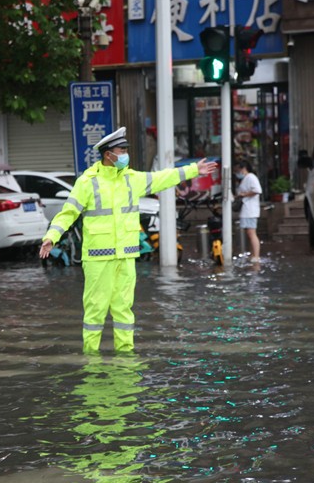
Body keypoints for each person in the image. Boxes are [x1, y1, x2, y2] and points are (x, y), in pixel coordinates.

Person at [39, 127, 216, 352]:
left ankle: (125, 357)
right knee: (95, 308)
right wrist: (51, 237)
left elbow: (162, 178)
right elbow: (68, 213)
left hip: (126, 255)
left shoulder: (131, 179)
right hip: (97, 258)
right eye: (121, 150)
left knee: (124, 309)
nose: (125, 155)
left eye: (125, 150)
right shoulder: (88, 182)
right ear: (108, 154)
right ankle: (91, 357)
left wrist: (193, 170)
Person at [235, 160, 262, 263]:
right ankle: (253, 254)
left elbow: (257, 190)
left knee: (251, 233)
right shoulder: (246, 179)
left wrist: (244, 194)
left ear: (243, 168)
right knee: (249, 233)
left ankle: (256, 256)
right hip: (246, 209)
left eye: (237, 170)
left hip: (250, 210)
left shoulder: (251, 177)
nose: (237, 172)